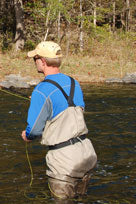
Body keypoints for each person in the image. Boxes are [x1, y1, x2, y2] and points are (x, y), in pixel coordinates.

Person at [21, 41, 97, 200]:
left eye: (35, 57)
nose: (34, 61)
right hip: (87, 153)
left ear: (42, 61)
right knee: (81, 200)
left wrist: (27, 136)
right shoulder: (73, 82)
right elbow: (76, 108)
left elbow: (34, 130)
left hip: (64, 161)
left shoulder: (41, 90)